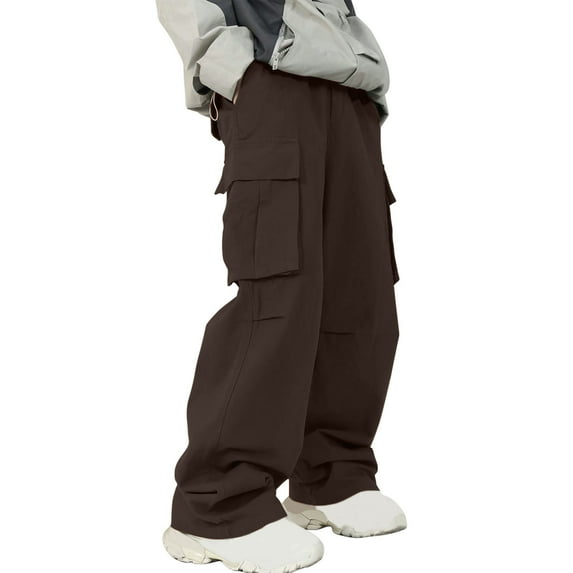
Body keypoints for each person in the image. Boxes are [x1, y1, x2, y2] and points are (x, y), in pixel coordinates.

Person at [155, 1, 405, 571]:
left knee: (361, 292)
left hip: (350, 88)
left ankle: (332, 474)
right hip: (271, 80)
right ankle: (218, 505)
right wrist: (231, 70)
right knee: (277, 293)